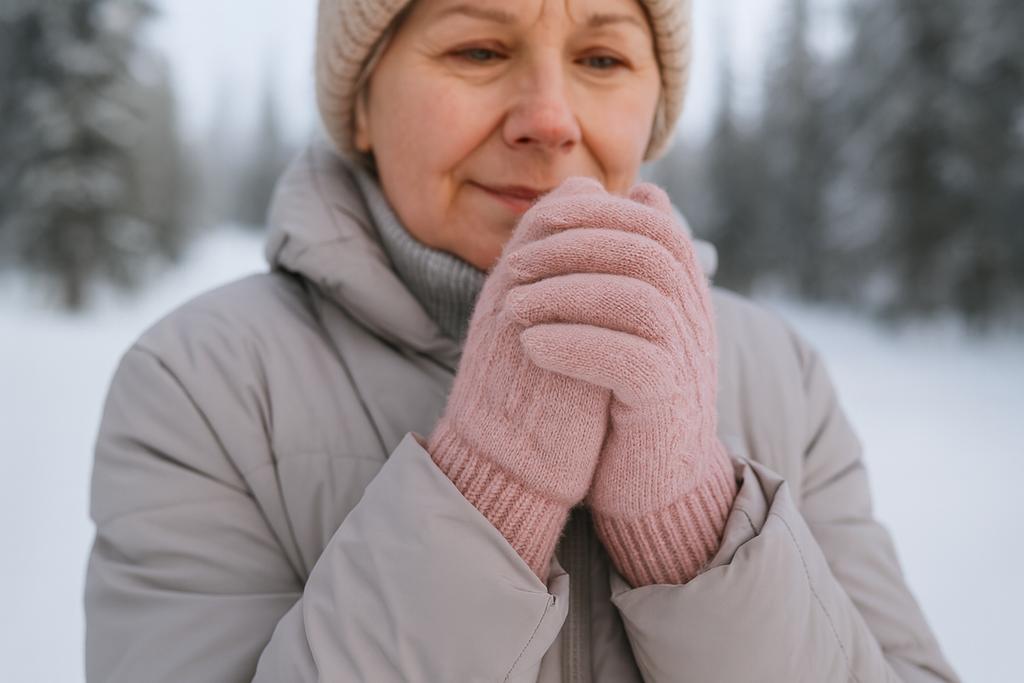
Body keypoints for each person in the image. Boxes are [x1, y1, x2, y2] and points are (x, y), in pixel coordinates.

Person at [84, 0, 961, 681]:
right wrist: (487, 491)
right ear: (361, 102)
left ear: (652, 107)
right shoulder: (201, 384)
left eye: (603, 58)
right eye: (478, 49)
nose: (549, 116)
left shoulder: (782, 374)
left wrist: (694, 524)